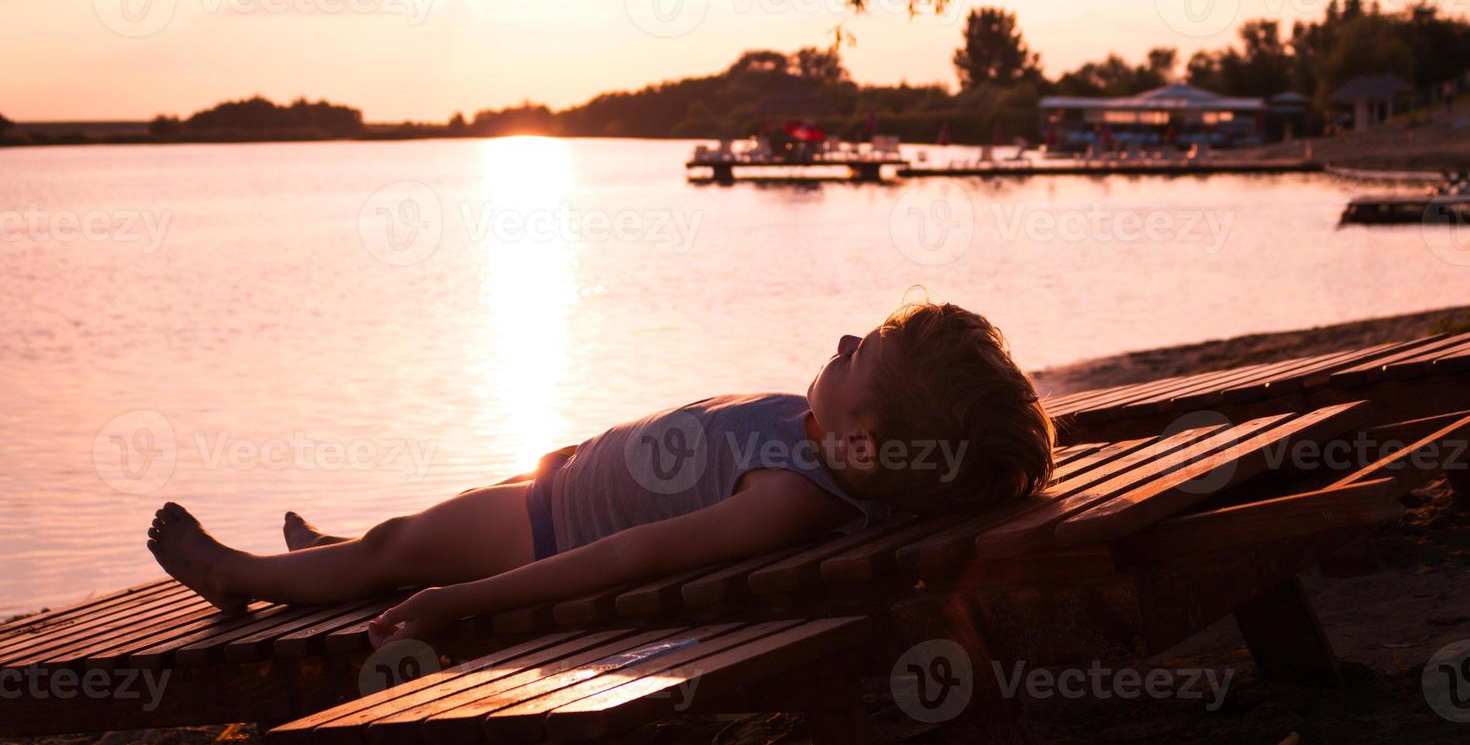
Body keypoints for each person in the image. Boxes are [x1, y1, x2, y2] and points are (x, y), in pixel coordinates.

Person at [147, 301, 1056, 646]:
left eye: (865, 355)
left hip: (550, 529)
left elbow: (632, 555)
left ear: (865, 443)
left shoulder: (784, 502)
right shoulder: (823, 451)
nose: (849, 339)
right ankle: (331, 555)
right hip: (568, 480)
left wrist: (454, 602)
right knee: (393, 537)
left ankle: (247, 578)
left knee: (400, 547)